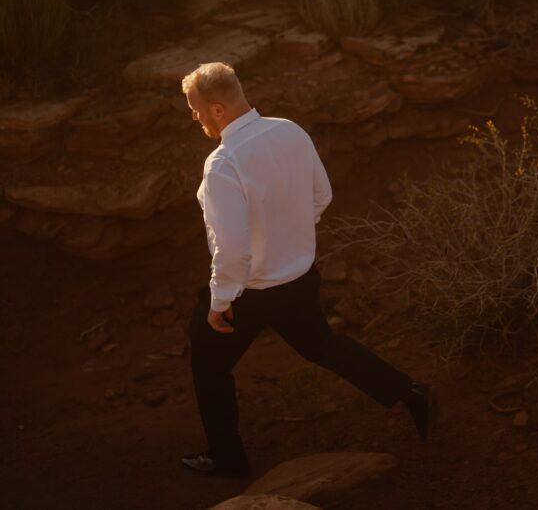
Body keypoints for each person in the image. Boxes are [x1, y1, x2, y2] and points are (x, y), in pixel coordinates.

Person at [179, 62, 437, 477]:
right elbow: (322, 195)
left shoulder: (222, 164)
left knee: (209, 363)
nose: (194, 118)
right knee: (324, 347)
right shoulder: (290, 131)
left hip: (250, 292)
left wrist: (220, 301)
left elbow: (231, 249)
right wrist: (288, 237)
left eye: (195, 109)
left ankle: (228, 460)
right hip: (298, 280)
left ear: (218, 109)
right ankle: (409, 391)